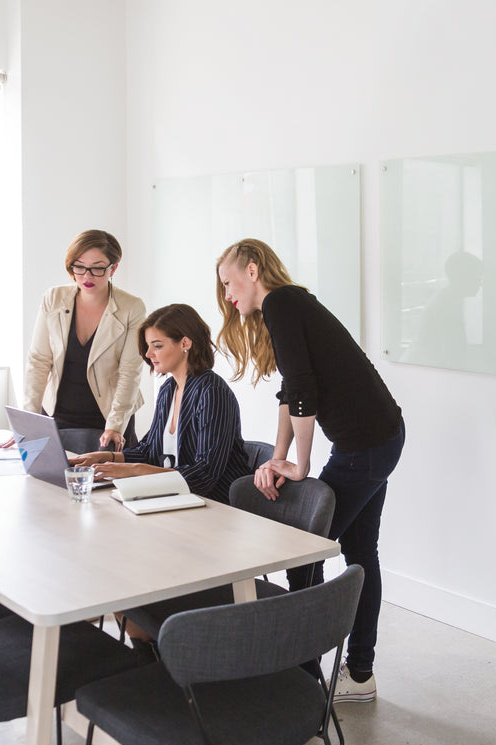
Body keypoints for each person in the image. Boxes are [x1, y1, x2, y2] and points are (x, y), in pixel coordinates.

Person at [216, 238, 404, 704]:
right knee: (360, 552)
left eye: (228, 282)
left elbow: (303, 391)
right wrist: (280, 456)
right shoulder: (289, 305)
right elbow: (291, 391)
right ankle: (359, 674)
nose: (226, 295)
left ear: (252, 271)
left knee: (305, 554)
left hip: (367, 444)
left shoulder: (280, 303)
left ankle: (301, 677)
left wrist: (300, 465)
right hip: (376, 438)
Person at [70, 303, 250, 504]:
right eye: (148, 346)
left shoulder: (212, 391)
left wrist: (134, 470)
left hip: (214, 505)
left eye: (157, 346)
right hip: (176, 499)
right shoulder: (168, 389)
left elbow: (204, 474)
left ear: (185, 344)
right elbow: (149, 451)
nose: (148, 354)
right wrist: (106, 458)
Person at [17, 230, 146, 452]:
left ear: (113, 268)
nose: (87, 276)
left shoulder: (131, 307)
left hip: (108, 417)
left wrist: (115, 426)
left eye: (97, 268)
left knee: (105, 484)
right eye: (79, 267)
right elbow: (38, 361)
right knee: (50, 481)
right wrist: (29, 420)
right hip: (58, 414)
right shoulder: (53, 299)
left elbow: (129, 372)